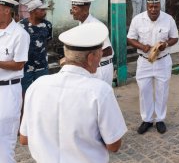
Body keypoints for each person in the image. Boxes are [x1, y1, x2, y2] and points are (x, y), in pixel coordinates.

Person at [19, 23, 127, 163]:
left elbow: (24, 138)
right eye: (100, 53)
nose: (100, 57)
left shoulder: (36, 86)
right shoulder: (100, 91)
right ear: (90, 58)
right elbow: (113, 145)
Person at [127, 0, 178, 134]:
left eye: (156, 6)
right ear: (147, 6)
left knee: (162, 91)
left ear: (160, 5)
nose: (154, 9)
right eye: (151, 6)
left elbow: (175, 37)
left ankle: (160, 119)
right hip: (144, 62)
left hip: (163, 61)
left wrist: (166, 44)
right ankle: (147, 119)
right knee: (144, 91)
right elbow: (130, 38)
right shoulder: (138, 20)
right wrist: (142, 46)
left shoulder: (168, 19)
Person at [0, 0, 30, 163]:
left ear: (6, 10)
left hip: (7, 90)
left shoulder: (19, 34)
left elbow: (19, 64)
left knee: (4, 140)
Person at [70, 0, 115, 86]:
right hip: (91, 68)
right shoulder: (81, 24)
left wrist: (85, 57)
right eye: (72, 8)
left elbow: (108, 50)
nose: (72, 12)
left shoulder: (96, 26)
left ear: (85, 10)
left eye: (75, 9)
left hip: (101, 69)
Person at [18, 0, 51, 95]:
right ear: (32, 11)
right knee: (24, 93)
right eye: (42, 10)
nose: (44, 12)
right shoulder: (20, 26)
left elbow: (48, 41)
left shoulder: (47, 25)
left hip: (42, 67)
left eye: (45, 10)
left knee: (42, 93)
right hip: (25, 67)